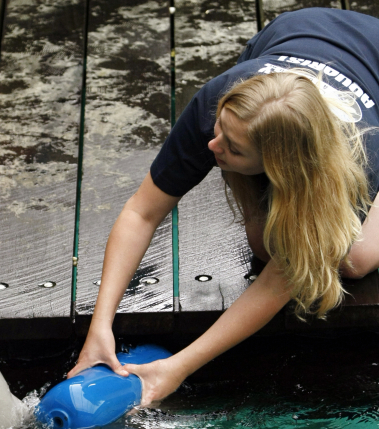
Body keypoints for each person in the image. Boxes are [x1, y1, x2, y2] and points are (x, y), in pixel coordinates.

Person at [67, 8, 379, 405]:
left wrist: (177, 368)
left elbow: (280, 279)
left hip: (370, 87)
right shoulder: (219, 102)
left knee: (354, 258)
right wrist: (100, 326)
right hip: (304, 30)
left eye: (233, 148)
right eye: (221, 131)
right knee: (264, 244)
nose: (213, 147)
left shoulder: (351, 163)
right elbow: (141, 212)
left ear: (282, 168)